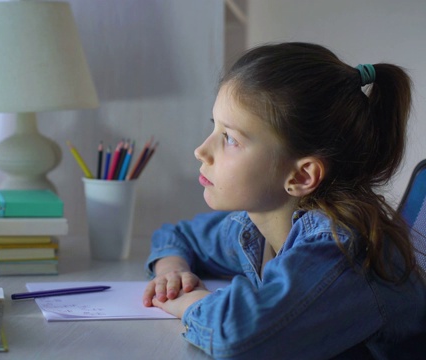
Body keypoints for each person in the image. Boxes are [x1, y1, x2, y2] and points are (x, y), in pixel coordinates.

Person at [142, 42, 426, 359]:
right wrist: (172, 272)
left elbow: (237, 336)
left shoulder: (339, 251)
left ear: (302, 176)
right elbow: (177, 235)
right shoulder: (254, 225)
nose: (201, 151)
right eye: (215, 126)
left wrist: (187, 300)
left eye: (230, 138)